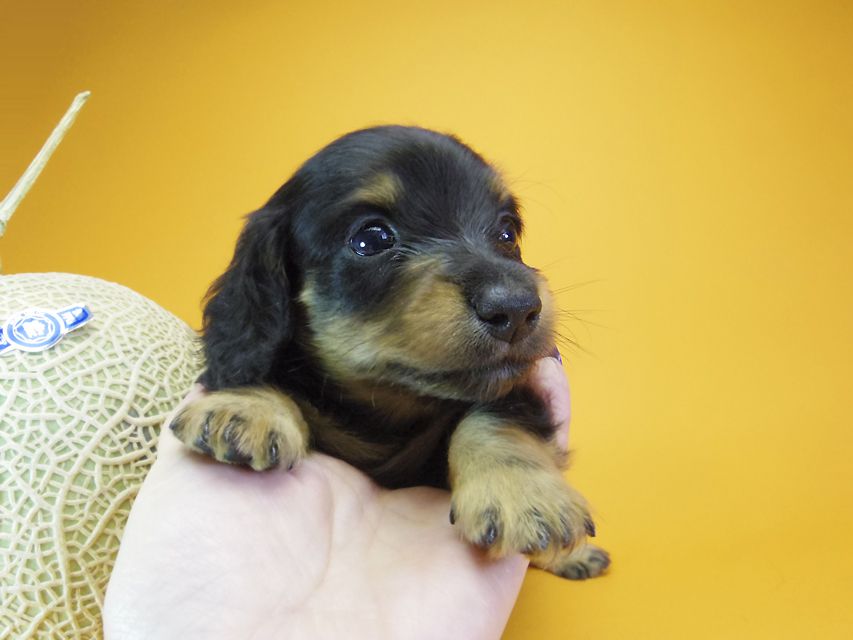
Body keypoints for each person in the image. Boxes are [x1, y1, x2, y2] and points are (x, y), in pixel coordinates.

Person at [103, 356, 571, 640]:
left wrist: (508, 461)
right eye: (372, 240)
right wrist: (259, 398)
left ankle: (530, 546)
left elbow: (509, 404)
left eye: (505, 234)